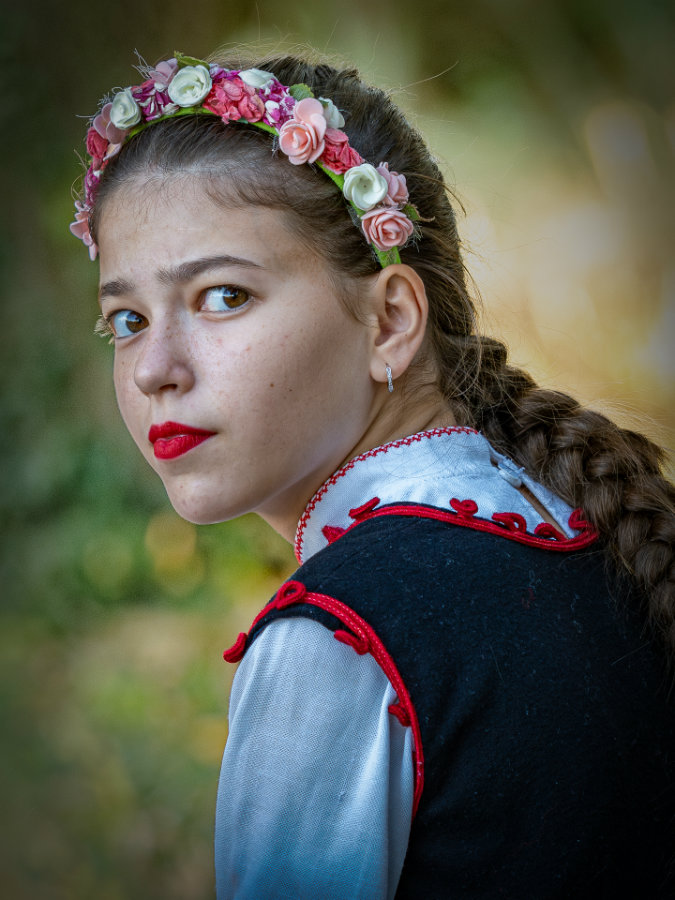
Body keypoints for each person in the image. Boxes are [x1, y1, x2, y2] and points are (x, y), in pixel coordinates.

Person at [71, 51, 675, 899]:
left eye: (222, 296)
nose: (153, 370)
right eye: (127, 319)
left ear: (390, 319)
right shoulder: (592, 533)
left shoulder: (338, 635)